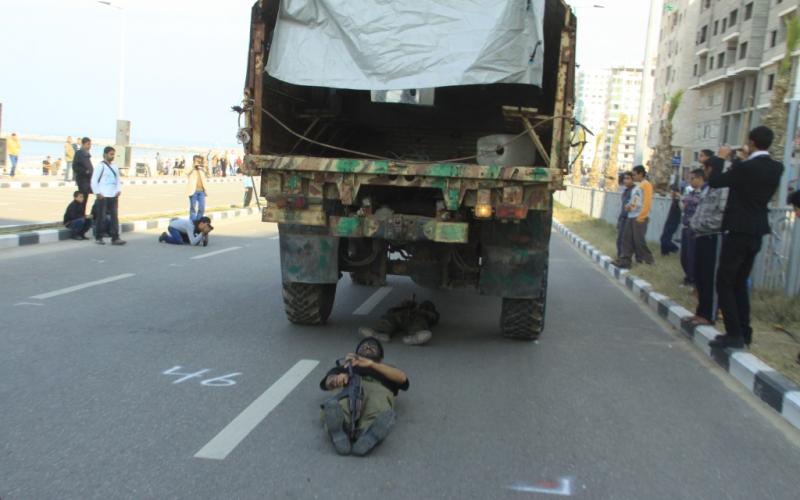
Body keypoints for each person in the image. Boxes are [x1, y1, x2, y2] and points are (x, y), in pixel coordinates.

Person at [707, 127, 783, 349]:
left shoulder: (744, 167)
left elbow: (716, 181)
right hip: (757, 230)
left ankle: (734, 333)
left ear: (750, 142)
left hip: (737, 230)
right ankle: (745, 331)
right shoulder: (777, 167)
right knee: (740, 281)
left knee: (725, 281)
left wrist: (721, 158)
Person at [320, 337, 408, 456]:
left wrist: (371, 364)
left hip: (378, 388)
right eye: (364, 346)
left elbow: (402, 378)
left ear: (380, 358)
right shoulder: (344, 368)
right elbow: (327, 383)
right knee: (340, 405)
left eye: (372, 347)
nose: (367, 347)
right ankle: (340, 429)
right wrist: (337, 379)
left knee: (378, 404)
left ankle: (367, 434)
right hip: (350, 387)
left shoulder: (385, 369)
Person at [690, 150, 728, 325]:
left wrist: (704, 225)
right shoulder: (708, 188)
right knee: (701, 275)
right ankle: (701, 312)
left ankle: (709, 315)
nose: (705, 173)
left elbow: (722, 214)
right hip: (701, 235)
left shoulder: (723, 187)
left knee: (710, 277)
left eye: (707, 169)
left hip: (713, 235)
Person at [613, 165, 655, 268]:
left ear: (641, 174)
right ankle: (625, 261)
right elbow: (635, 200)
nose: (633, 176)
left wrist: (641, 216)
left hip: (639, 217)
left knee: (639, 241)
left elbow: (647, 203)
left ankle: (648, 260)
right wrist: (629, 206)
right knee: (627, 240)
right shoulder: (638, 186)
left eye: (634, 174)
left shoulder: (646, 185)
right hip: (631, 216)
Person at [358, 298, 439, 345]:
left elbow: (434, 318)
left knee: (419, 324)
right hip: (399, 316)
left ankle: (416, 336)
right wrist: (404, 305)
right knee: (388, 320)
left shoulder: (426, 314)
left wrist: (424, 312)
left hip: (414, 320)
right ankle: (380, 334)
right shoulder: (404, 308)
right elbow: (390, 312)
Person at [90, 146, 126, 246]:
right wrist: (97, 192)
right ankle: (99, 237)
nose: (112, 156)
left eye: (113, 154)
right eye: (111, 154)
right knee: (101, 218)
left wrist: (118, 190)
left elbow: (118, 180)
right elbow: (93, 180)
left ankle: (115, 237)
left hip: (113, 196)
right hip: (103, 196)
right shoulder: (100, 166)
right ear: (105, 154)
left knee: (114, 217)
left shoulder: (115, 167)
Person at [679, 169, 705, 286]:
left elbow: (697, 204)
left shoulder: (704, 193)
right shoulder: (691, 192)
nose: (690, 181)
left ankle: (692, 279)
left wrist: (686, 199)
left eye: (692, 178)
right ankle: (688, 276)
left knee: (692, 255)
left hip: (695, 228)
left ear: (700, 179)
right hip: (686, 226)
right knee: (684, 255)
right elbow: (684, 206)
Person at [73, 137, 94, 215]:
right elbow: (75, 167)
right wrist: (86, 172)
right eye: (88, 144)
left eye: (90, 144)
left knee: (85, 198)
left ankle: (82, 213)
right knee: (82, 198)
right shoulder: (80, 153)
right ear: (83, 144)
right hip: (83, 180)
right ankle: (80, 214)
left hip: (87, 180)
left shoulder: (86, 153)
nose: (89, 146)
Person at [616, 172, 634, 258]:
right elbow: (623, 207)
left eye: (628, 178)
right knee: (619, 241)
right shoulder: (626, 191)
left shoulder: (634, 191)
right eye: (624, 178)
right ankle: (620, 258)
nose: (625, 180)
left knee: (624, 241)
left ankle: (624, 259)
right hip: (623, 218)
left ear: (632, 179)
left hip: (629, 219)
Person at [186, 155, 209, 221]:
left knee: (202, 208)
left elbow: (209, 176)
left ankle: (197, 222)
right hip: (193, 191)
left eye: (200, 161)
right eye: (197, 161)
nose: (199, 163)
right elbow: (186, 172)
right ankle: (192, 223)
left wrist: (206, 167)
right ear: (194, 161)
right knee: (193, 208)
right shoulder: (190, 168)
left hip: (202, 191)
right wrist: (193, 166)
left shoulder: (202, 169)